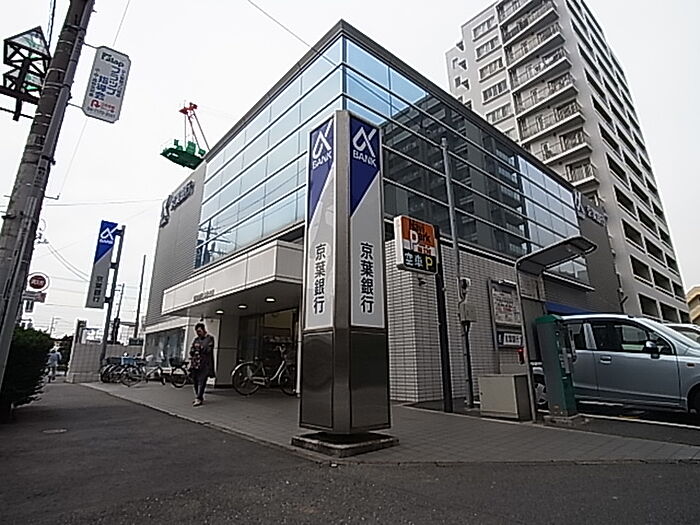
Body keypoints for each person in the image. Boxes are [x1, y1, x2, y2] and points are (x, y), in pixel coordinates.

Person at [189, 323, 215, 406]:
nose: (198, 333)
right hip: (195, 363)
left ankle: (199, 397)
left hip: (205, 363)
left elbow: (208, 350)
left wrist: (200, 348)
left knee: (202, 380)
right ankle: (198, 396)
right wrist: (193, 350)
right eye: (197, 332)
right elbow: (192, 350)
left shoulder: (210, 338)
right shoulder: (196, 339)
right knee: (195, 380)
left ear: (204, 330)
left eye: (199, 331)